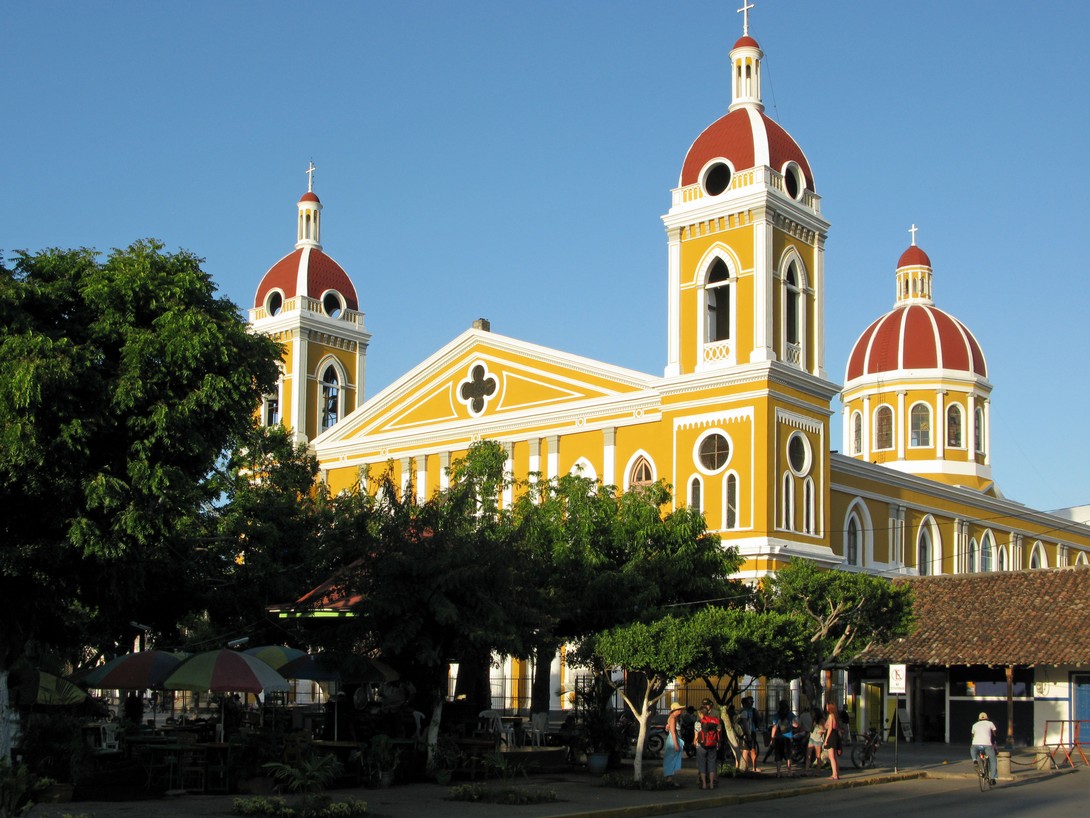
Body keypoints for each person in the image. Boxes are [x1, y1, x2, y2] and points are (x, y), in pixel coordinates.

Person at [694, 698, 723, 790]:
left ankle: (706, 783)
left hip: (703, 743)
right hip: (712, 742)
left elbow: (697, 730)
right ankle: (710, 782)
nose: (706, 706)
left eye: (707, 704)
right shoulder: (712, 718)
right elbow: (718, 728)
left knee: (703, 762)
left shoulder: (714, 713)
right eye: (704, 705)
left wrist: (695, 740)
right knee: (711, 762)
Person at [770, 700, 799, 776]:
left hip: (778, 737)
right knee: (788, 755)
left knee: (778, 756)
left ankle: (778, 773)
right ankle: (789, 772)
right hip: (788, 737)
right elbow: (796, 725)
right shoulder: (790, 715)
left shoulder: (777, 715)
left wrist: (772, 739)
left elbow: (774, 727)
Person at [970, 711, 998, 784]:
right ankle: (992, 779)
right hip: (987, 745)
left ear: (979, 719)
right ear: (987, 718)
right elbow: (994, 733)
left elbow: (972, 735)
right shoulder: (990, 723)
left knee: (973, 750)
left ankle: (975, 760)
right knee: (993, 760)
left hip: (976, 744)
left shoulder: (974, 725)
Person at [736, 695, 761, 772]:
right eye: (750, 702)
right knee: (745, 750)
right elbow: (745, 724)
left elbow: (758, 720)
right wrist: (748, 734)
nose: (752, 703)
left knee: (752, 750)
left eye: (752, 701)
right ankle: (745, 768)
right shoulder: (743, 712)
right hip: (747, 732)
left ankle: (753, 767)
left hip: (751, 731)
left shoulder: (753, 711)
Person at [662, 701, 685, 788]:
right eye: (678, 709)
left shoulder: (673, 718)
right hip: (673, 740)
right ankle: (669, 779)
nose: (680, 711)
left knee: (671, 759)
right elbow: (673, 732)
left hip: (673, 739)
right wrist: (676, 744)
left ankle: (669, 778)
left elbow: (668, 729)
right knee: (671, 759)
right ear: (674, 710)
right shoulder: (672, 718)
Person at [822, 702, 842, 780]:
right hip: (835, 735)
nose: (826, 708)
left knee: (831, 757)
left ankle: (834, 774)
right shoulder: (836, 716)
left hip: (831, 736)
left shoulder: (830, 716)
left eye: (827, 706)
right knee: (834, 757)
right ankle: (836, 773)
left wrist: (826, 739)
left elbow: (830, 728)